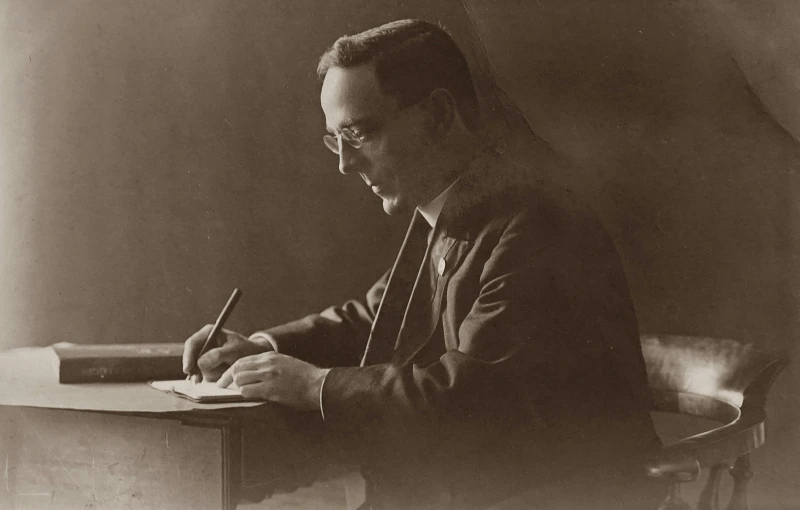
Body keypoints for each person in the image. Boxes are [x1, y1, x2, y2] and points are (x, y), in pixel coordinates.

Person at [184, 19, 662, 510]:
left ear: (437, 114)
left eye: (359, 132)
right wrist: (261, 347)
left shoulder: (536, 223)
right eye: (336, 140)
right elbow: (378, 316)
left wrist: (313, 385)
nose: (346, 164)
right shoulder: (451, 206)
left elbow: (469, 394)